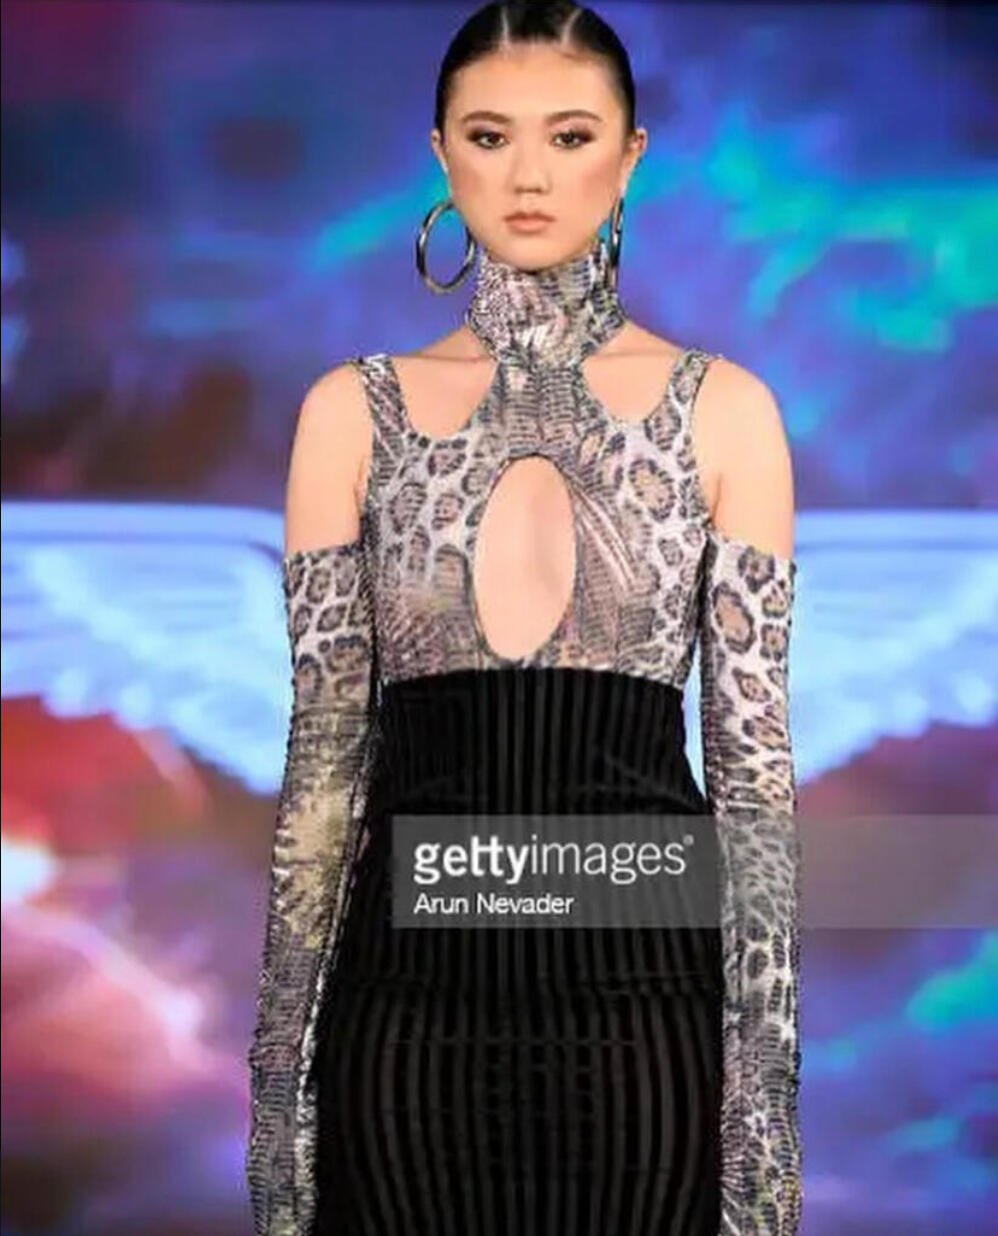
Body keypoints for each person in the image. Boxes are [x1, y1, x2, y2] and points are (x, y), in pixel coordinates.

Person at [246, 2, 802, 1234]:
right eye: (490, 136)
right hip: (406, 1020)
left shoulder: (726, 413)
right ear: (441, 152)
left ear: (630, 155)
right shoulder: (351, 413)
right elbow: (324, 770)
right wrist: (280, 1093)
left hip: (645, 1022)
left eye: (570, 134)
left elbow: (754, 782)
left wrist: (761, 1122)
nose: (529, 175)